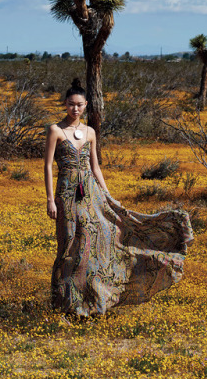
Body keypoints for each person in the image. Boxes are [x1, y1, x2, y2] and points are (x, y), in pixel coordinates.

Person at [44, 78, 194, 317]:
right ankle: (63, 304)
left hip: (91, 192)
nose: (75, 109)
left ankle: (91, 300)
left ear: (85, 106)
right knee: (69, 244)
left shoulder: (90, 132)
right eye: (71, 104)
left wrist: (107, 195)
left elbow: (96, 167)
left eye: (80, 105)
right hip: (67, 193)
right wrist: (51, 200)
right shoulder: (55, 130)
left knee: (97, 241)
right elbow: (47, 167)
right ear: (65, 104)